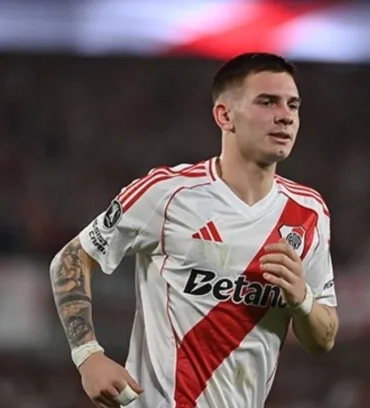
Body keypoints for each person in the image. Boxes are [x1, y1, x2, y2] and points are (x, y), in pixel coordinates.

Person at [50, 52, 339, 408]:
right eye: (267, 102)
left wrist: (302, 300)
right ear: (225, 116)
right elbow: (72, 258)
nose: (285, 115)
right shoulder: (167, 193)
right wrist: (88, 355)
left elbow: (323, 339)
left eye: (292, 105)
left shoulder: (309, 212)